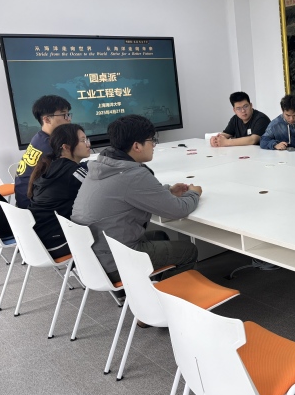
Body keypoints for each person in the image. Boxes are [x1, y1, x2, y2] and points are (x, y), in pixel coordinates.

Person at [72, 115, 202, 284]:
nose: (154, 145)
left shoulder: (102, 166)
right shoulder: (133, 175)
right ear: (136, 146)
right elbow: (178, 210)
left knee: (160, 235)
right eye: (151, 140)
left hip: (91, 259)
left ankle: (151, 288)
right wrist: (194, 193)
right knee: (188, 251)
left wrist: (168, 191)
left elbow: (128, 193)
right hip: (115, 262)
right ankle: (163, 297)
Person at [27, 124, 91, 259]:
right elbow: (98, 193)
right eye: (83, 140)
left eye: (87, 139)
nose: (88, 144)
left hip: (36, 240)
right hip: (57, 242)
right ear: (66, 147)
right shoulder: (73, 171)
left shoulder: (50, 166)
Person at [15, 95, 72, 209]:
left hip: (24, 202)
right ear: (46, 119)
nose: (69, 119)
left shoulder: (39, 138)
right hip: (35, 207)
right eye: (64, 115)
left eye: (68, 114)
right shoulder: (50, 147)